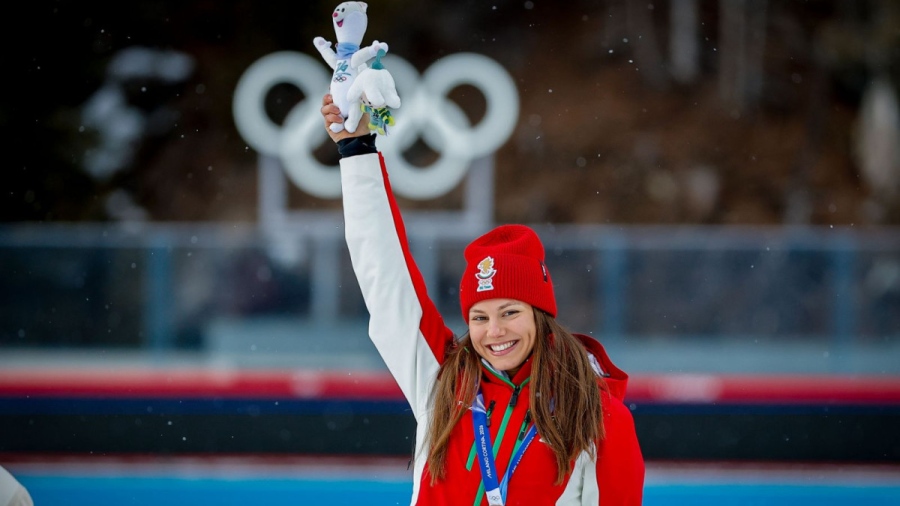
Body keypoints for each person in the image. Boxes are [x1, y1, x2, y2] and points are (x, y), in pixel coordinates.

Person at [321, 94, 645, 505]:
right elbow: (385, 277)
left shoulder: (596, 415)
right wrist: (357, 152)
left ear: (540, 314)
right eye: (479, 317)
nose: (494, 332)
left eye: (509, 312)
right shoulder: (442, 379)